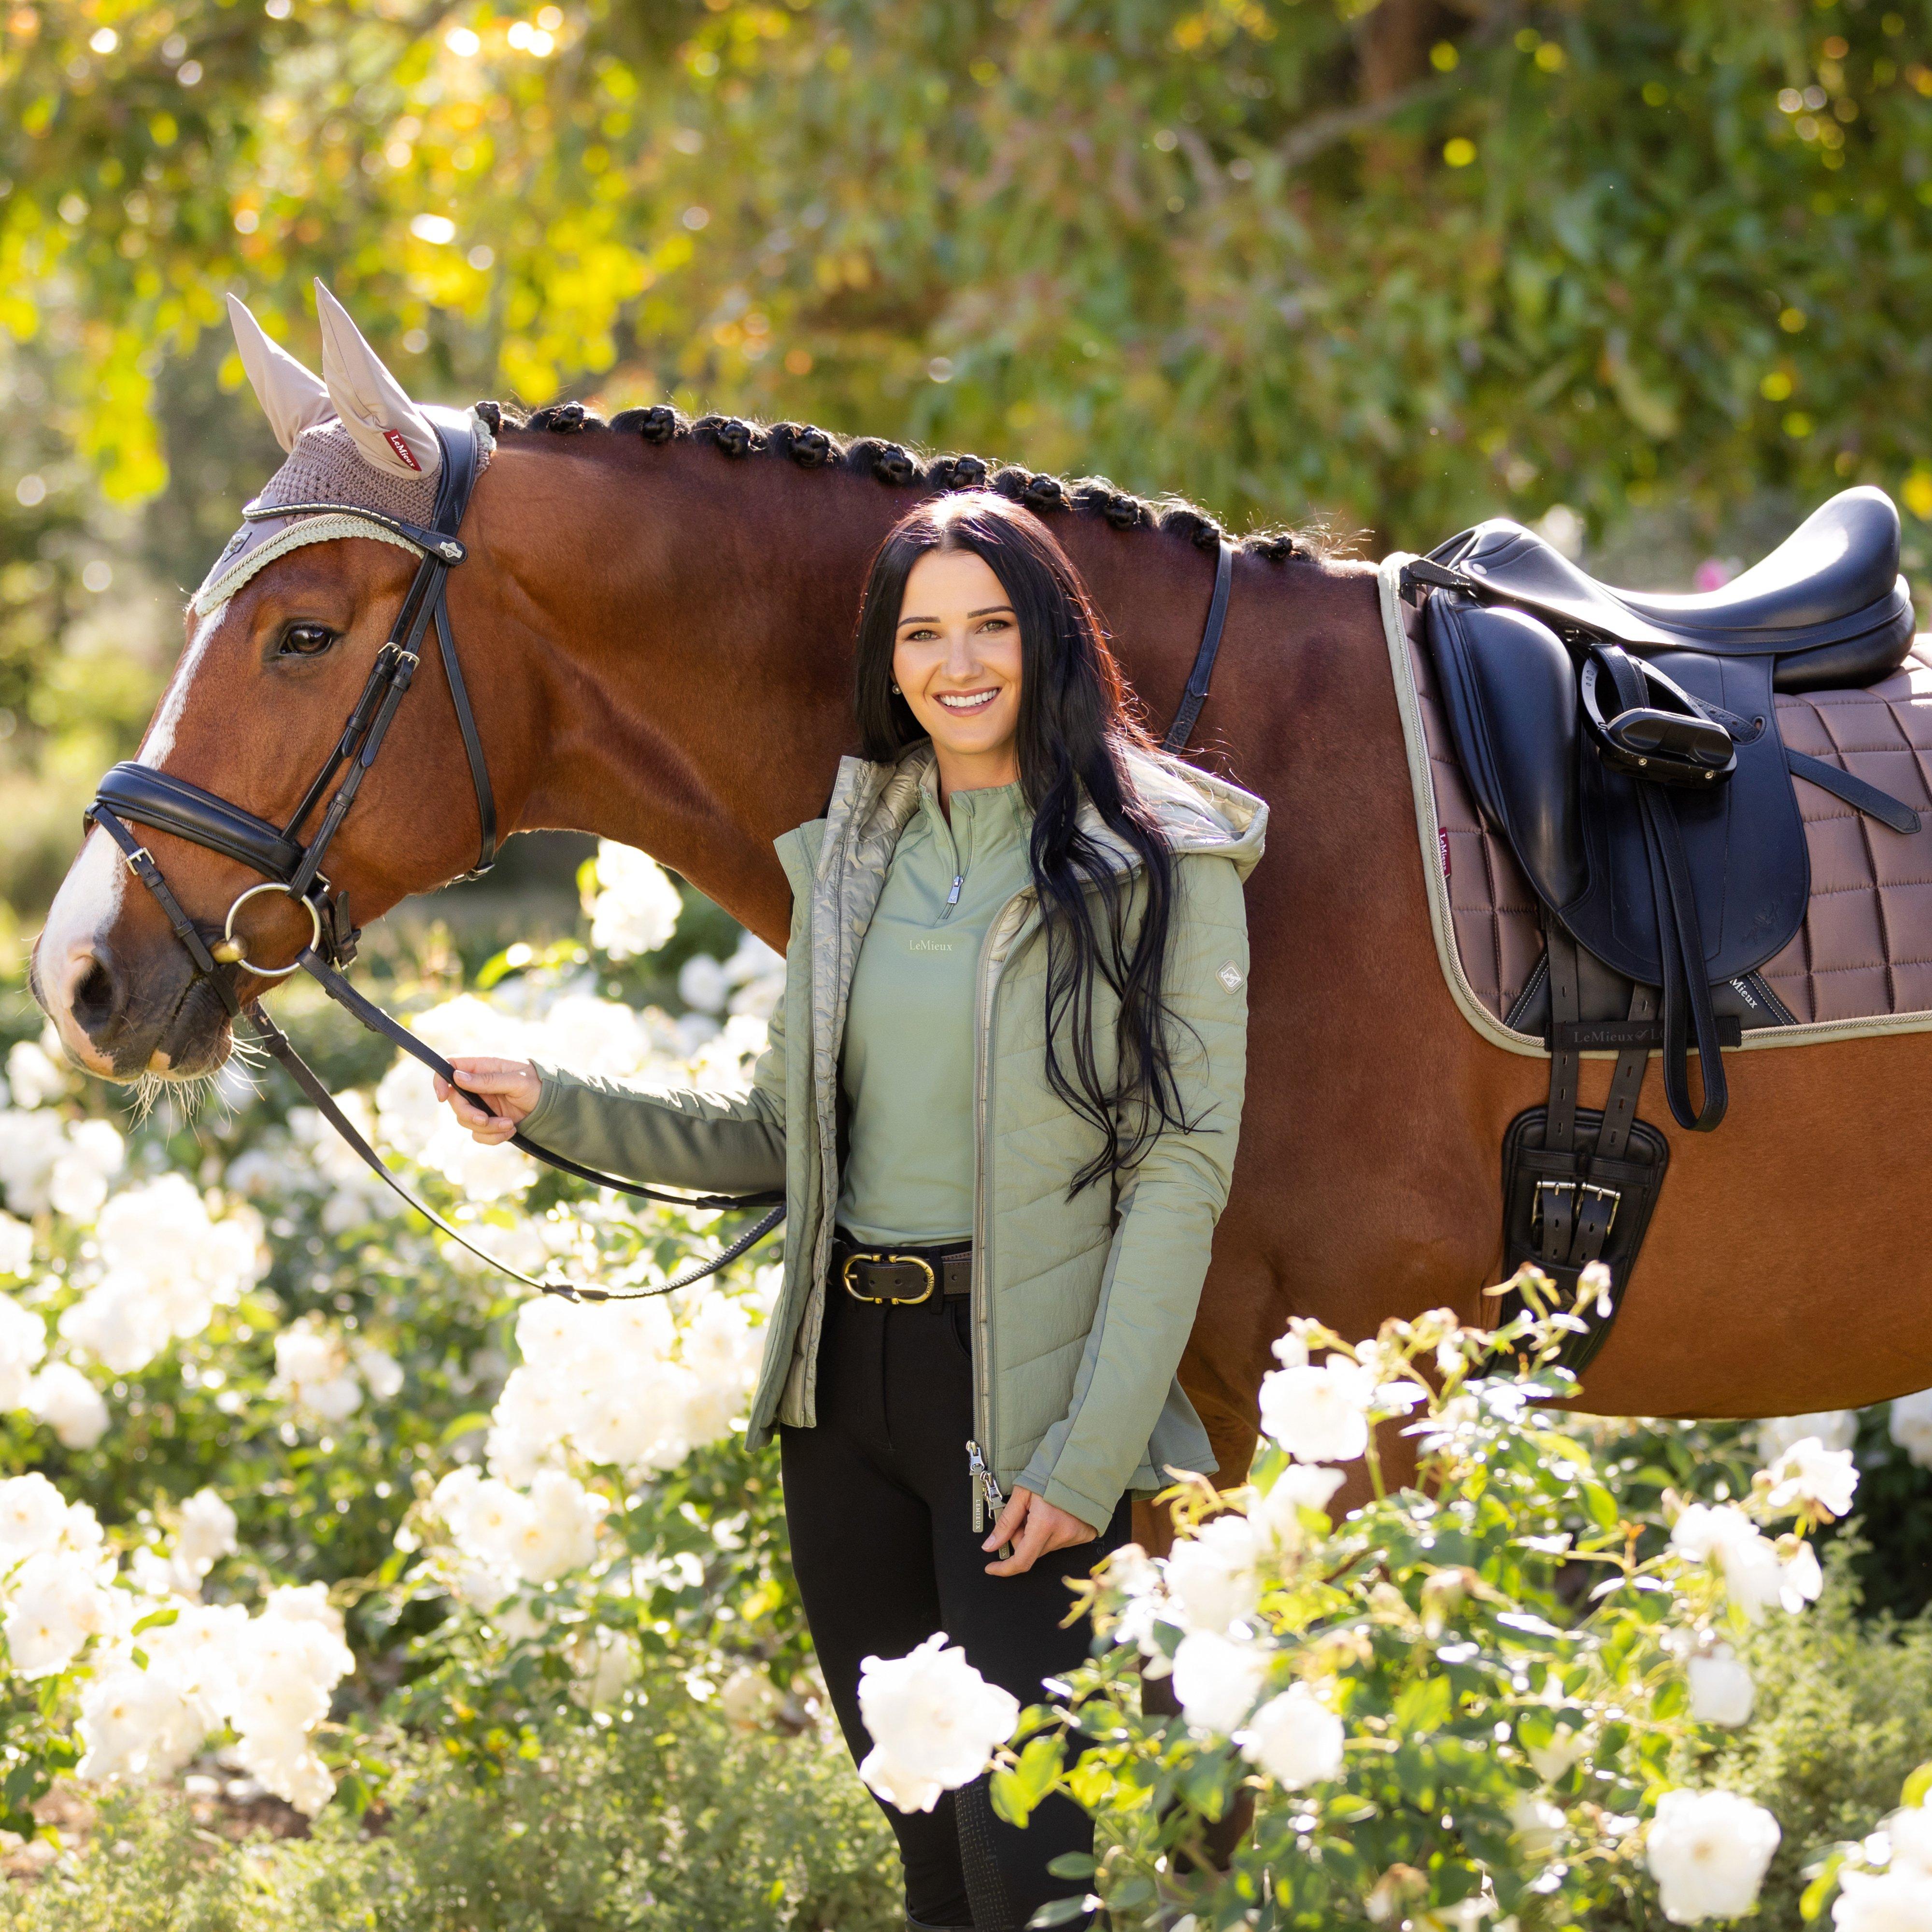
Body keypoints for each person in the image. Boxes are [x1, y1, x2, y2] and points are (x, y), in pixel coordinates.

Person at [433, 491, 1266, 1932]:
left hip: (1021, 1404)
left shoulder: (1161, 860)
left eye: (992, 627)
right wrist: (553, 1103)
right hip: (845, 1402)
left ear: (1052, 638)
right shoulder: (855, 853)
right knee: (927, 1850)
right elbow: (777, 1133)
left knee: (1034, 1865)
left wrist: (1087, 1459)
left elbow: (1179, 1171)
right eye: (924, 633)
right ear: (888, 659)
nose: (959, 664)